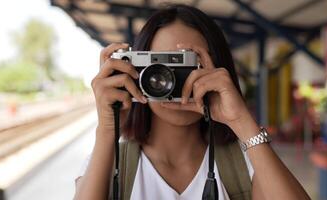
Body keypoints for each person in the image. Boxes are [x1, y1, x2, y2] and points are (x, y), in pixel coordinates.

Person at [74, 4, 310, 200]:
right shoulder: (110, 163)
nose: (171, 82)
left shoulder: (245, 163)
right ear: (135, 69)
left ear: (218, 71)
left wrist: (242, 122)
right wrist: (107, 130)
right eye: (160, 68)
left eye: (189, 66)